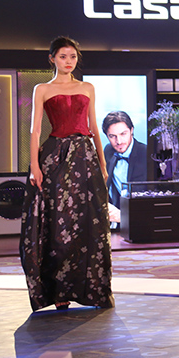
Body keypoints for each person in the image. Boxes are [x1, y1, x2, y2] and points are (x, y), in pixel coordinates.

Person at [20, 36, 114, 312]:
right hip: (56, 157)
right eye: (63, 56)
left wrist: (103, 163)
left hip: (85, 157)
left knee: (90, 222)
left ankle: (93, 290)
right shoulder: (42, 89)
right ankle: (59, 290)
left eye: (72, 56)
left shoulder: (87, 87)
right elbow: (35, 130)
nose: (68, 61)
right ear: (52, 59)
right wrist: (35, 166)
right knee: (58, 223)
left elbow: (93, 127)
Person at [102, 111, 147, 214]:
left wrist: (123, 216)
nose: (119, 141)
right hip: (114, 215)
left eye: (123, 134)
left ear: (131, 130)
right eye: (112, 136)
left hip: (141, 213)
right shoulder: (108, 150)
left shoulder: (146, 153)